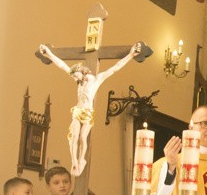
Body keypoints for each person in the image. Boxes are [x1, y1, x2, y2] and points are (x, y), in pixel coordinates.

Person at [39, 42, 142, 176]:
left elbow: (115, 68)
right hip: (77, 111)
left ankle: (82, 159)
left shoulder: (96, 80)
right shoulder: (79, 81)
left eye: (76, 76)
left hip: (87, 113)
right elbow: (62, 65)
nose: (75, 79)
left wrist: (130, 55)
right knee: (73, 136)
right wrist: (49, 54)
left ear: (82, 72)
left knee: (82, 137)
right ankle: (74, 161)